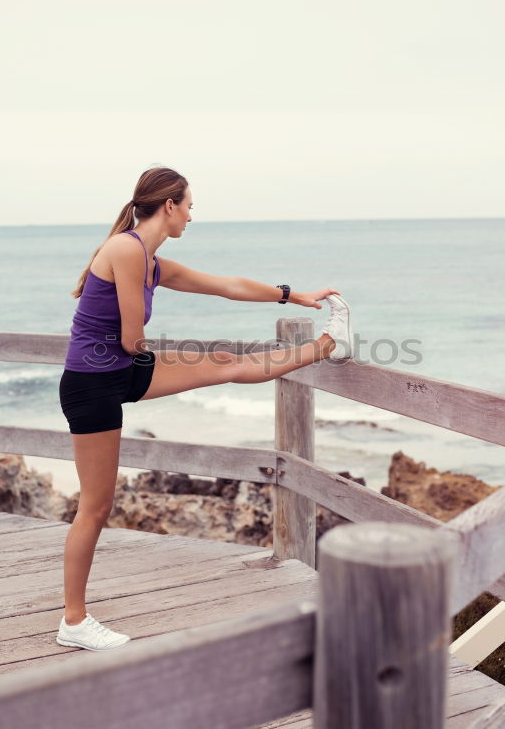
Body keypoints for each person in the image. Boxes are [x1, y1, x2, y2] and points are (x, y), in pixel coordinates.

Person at [56, 166, 353, 650]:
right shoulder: (127, 251)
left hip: (118, 371)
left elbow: (226, 285)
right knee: (95, 506)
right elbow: (133, 337)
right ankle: (73, 621)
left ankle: (328, 345)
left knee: (227, 365)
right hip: (93, 385)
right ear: (169, 205)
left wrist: (290, 294)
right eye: (189, 206)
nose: (191, 217)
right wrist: (171, 357)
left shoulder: (150, 260)